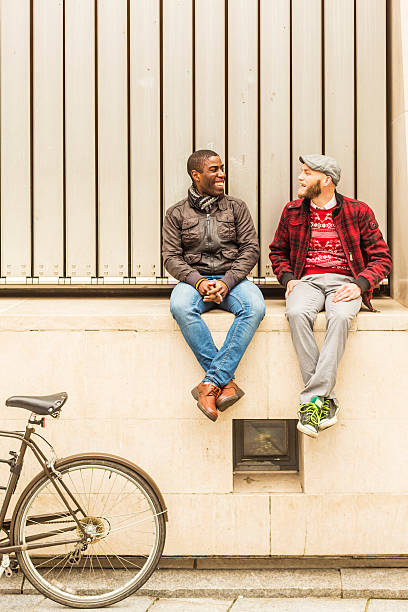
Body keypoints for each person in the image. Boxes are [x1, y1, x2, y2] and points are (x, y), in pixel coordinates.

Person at [269, 154, 392, 438]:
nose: (300, 178)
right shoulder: (293, 211)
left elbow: (382, 258)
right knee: (296, 313)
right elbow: (277, 251)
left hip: (345, 282)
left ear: (326, 181)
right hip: (307, 281)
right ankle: (326, 400)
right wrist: (288, 279)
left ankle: (312, 401)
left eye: (307, 173)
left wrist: (360, 284)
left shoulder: (357, 211)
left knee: (340, 316)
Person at [162, 149, 265, 422]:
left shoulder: (237, 208)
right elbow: (170, 257)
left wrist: (227, 282)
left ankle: (209, 385)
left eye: (222, 168)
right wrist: (198, 282)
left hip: (233, 279)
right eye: (214, 170)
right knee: (180, 306)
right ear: (196, 176)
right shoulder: (176, 214)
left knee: (254, 306)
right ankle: (225, 383)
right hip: (195, 281)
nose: (222, 174)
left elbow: (251, 250)